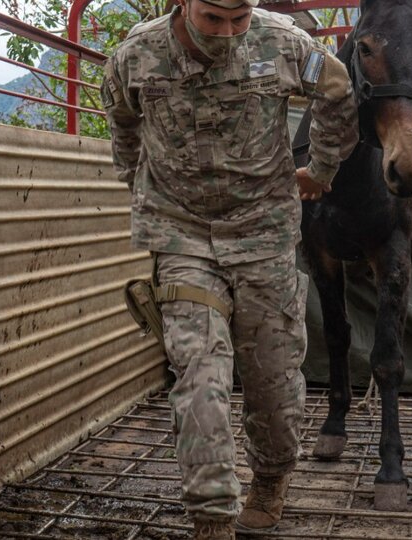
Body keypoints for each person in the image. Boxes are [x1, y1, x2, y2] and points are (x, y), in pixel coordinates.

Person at [101, 0, 358, 536]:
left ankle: (270, 480)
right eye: (212, 19)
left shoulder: (284, 42)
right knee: (198, 375)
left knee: (273, 379)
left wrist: (323, 167)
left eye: (238, 20)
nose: (226, 32)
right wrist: (139, 182)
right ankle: (212, 518)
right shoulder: (136, 55)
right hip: (182, 235)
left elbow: (337, 90)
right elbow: (122, 123)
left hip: (263, 232)